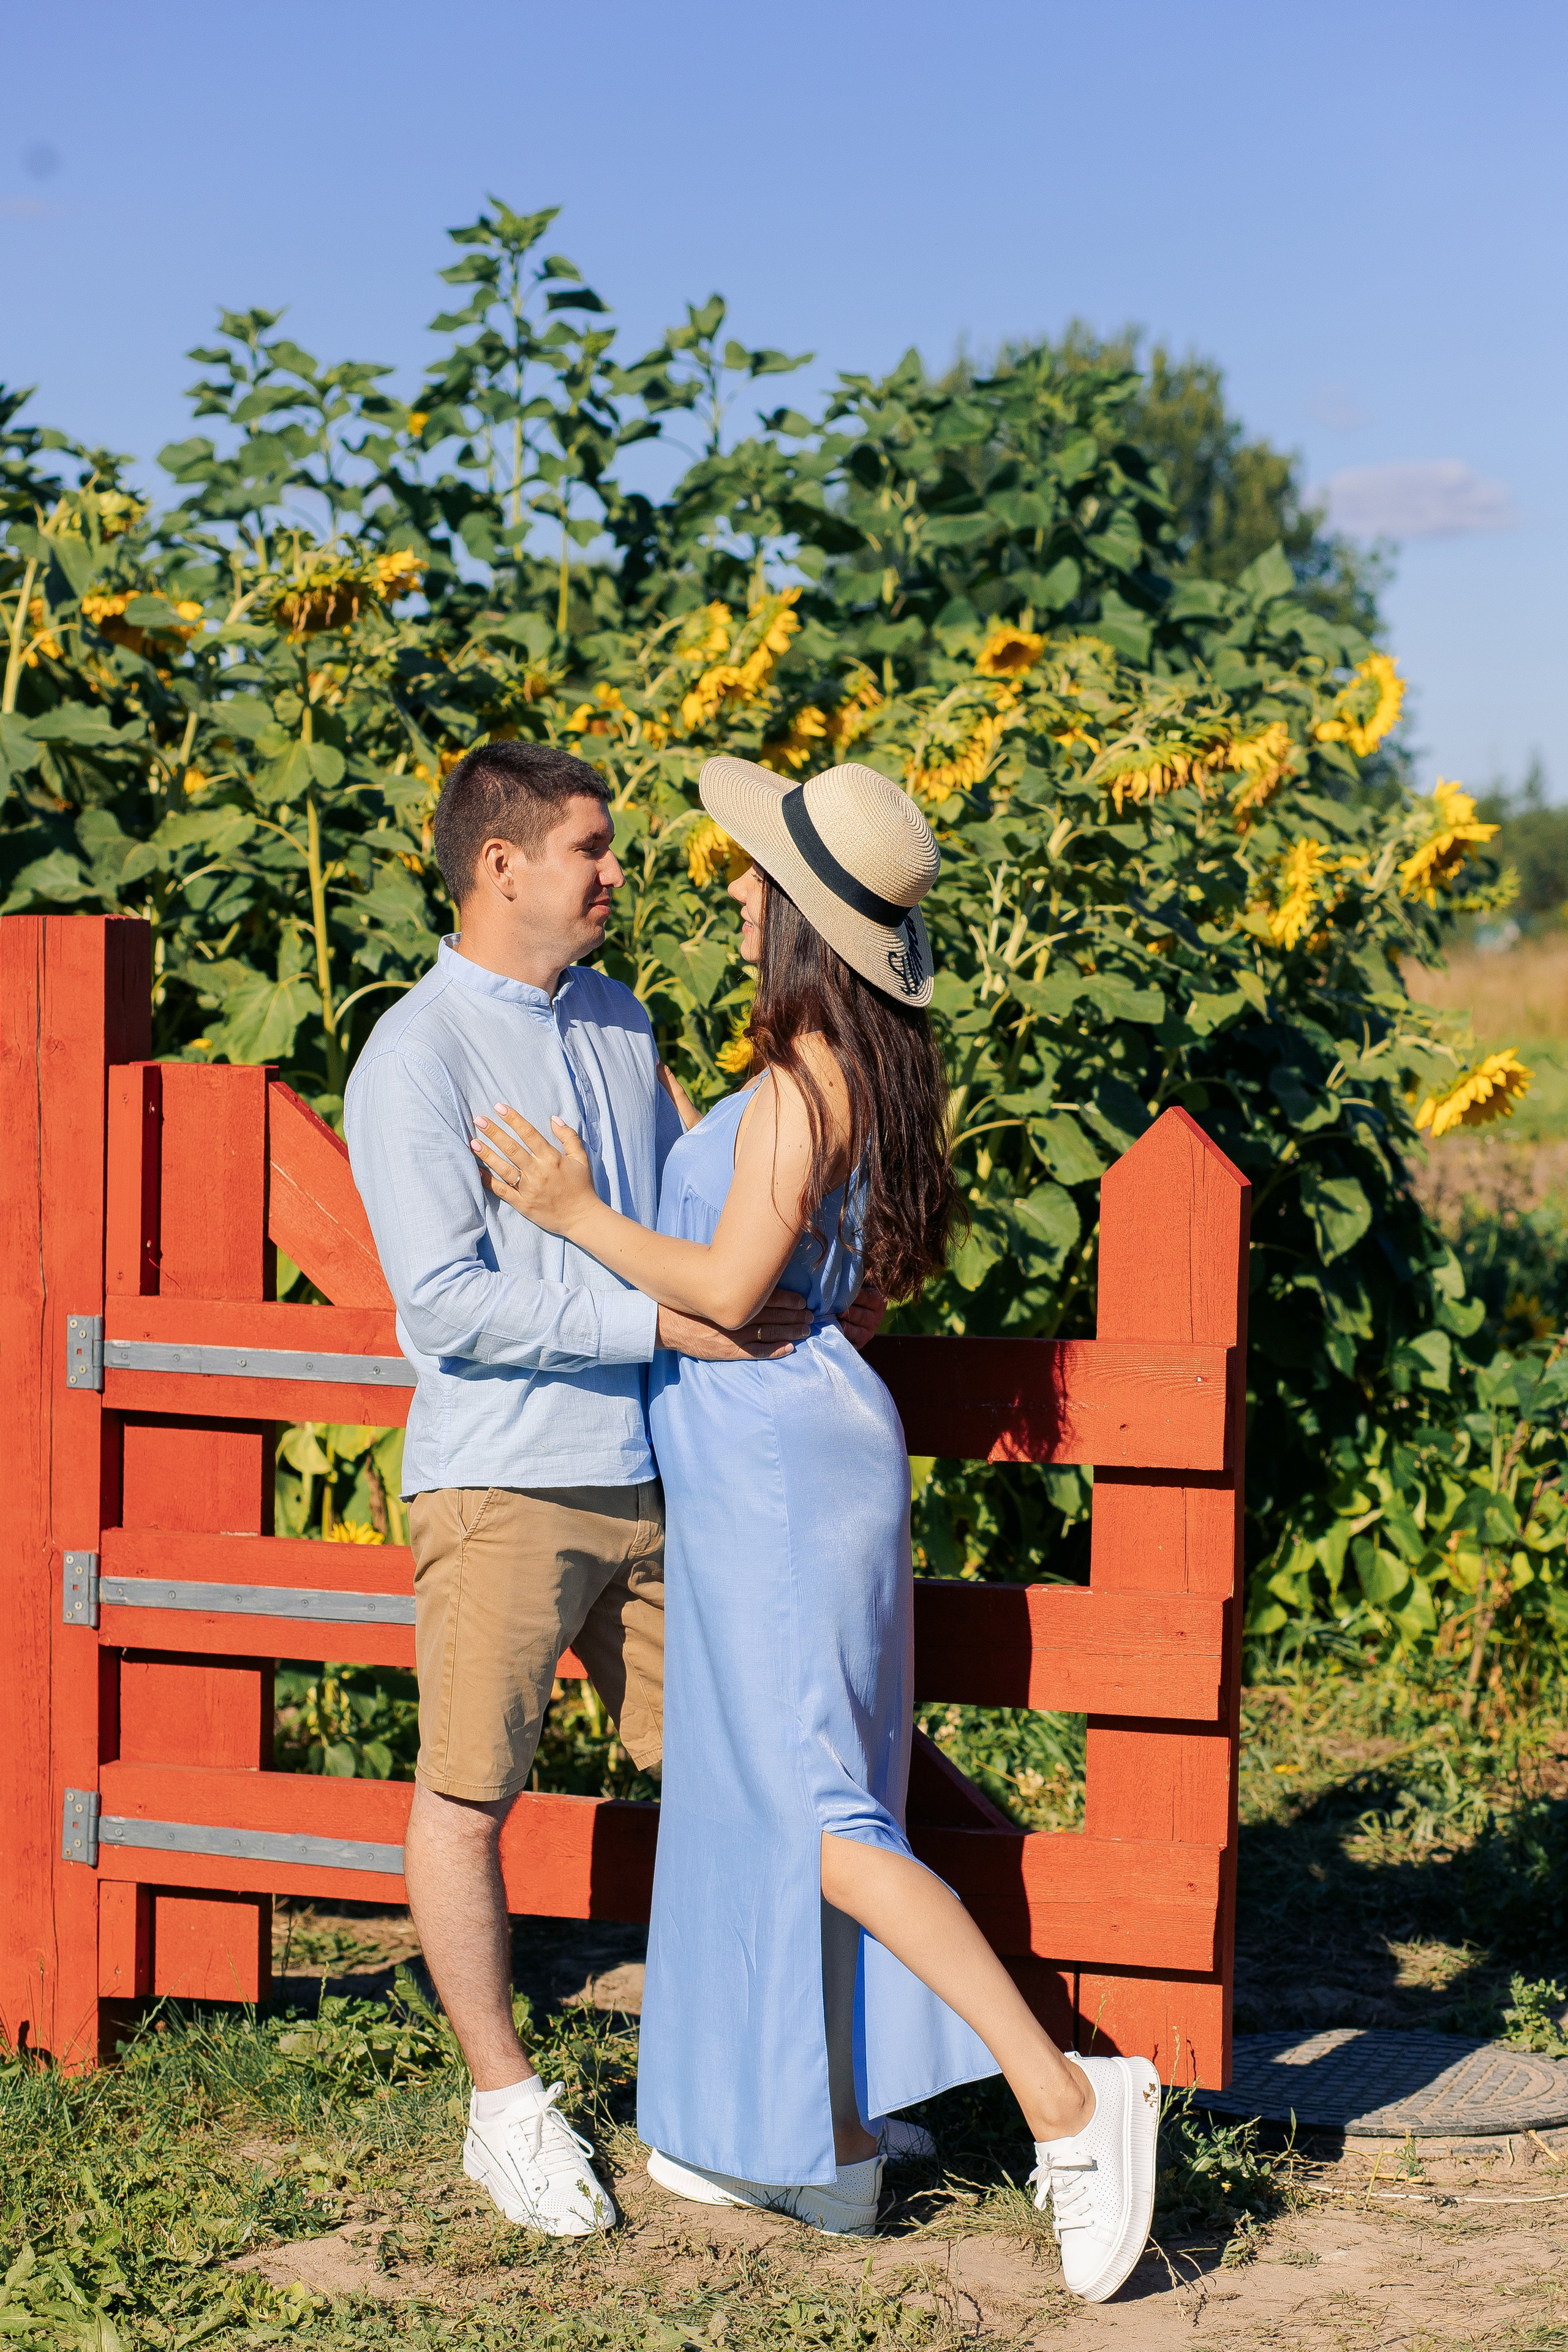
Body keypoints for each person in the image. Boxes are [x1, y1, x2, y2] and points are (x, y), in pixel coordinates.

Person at [469, 755, 1161, 2305]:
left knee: (813, 1810)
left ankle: (1065, 2101)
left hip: (774, 1456)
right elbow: (771, 1270)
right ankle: (829, 2133)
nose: (725, 886)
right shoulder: (834, 1069)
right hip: (788, 1441)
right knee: (811, 1790)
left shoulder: (796, 1083)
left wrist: (573, 1206)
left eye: (748, 872)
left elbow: (719, 1292)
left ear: (797, 915)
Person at [344, 740, 887, 2239]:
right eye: (589, 848)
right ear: (499, 863)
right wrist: (660, 1318)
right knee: (469, 1793)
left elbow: (669, 1222)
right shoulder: (416, 1054)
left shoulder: (615, 1016)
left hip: (663, 1469)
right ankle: (505, 2105)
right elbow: (443, 1303)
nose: (614, 873)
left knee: (747, 1771)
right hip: (506, 1483)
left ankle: (783, 2097)